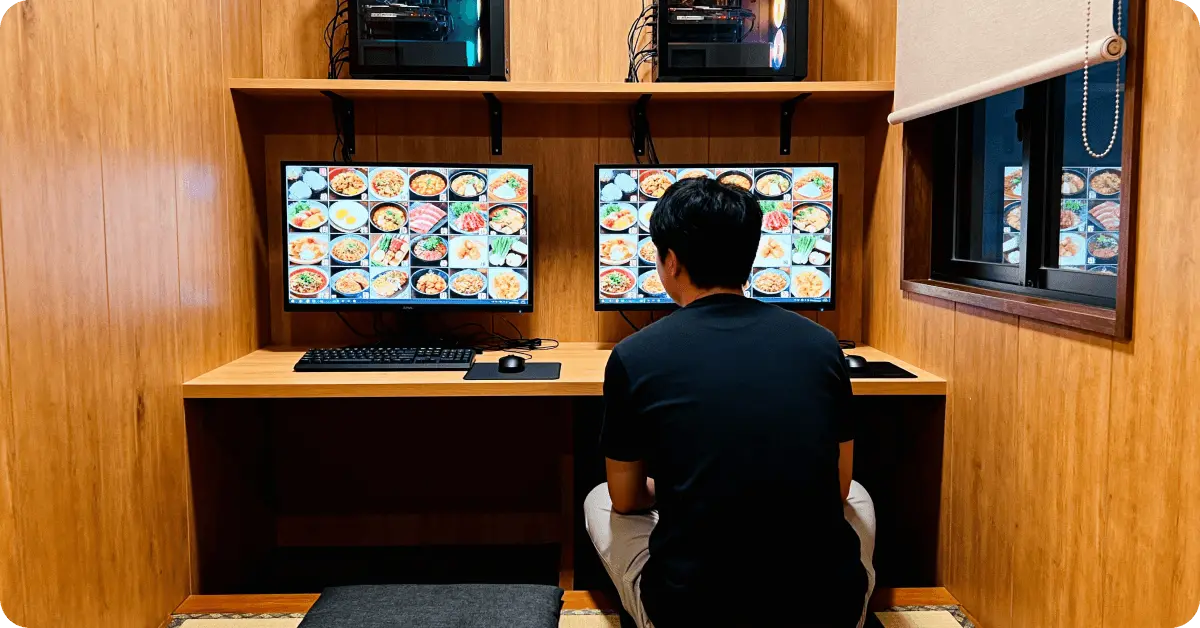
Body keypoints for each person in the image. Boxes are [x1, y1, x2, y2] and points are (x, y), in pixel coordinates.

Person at [583, 177, 876, 627]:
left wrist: (689, 484)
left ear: (671, 261)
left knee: (600, 499)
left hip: (692, 615)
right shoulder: (821, 344)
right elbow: (837, 485)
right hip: (827, 611)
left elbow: (626, 499)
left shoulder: (634, 355)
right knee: (858, 495)